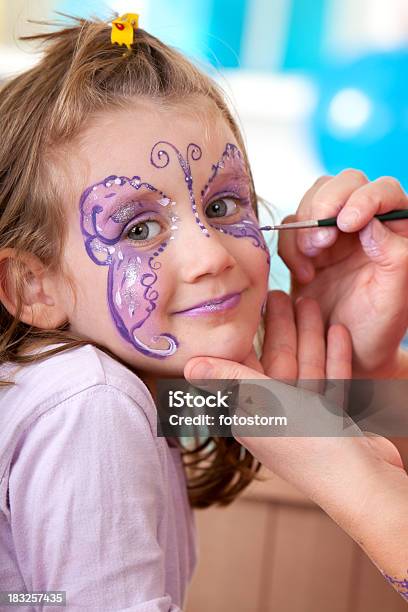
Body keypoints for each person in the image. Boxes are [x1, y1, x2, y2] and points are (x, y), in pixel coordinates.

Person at [0, 11, 406, 610]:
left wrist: (362, 361)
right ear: (33, 287)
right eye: (139, 227)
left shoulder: (127, 389)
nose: (210, 255)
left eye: (220, 206)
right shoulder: (94, 399)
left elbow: (303, 427)